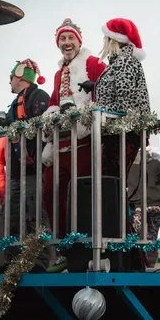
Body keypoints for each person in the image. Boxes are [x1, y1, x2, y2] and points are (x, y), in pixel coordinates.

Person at [0, 59, 51, 272]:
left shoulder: (38, 97)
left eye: (11, 78)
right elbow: (2, 128)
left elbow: (38, 125)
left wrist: (10, 127)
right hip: (15, 170)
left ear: (21, 78)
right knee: (14, 216)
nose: (9, 83)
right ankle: (14, 260)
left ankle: (39, 261)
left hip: (33, 168)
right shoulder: (15, 103)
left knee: (34, 215)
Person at [42, 18, 107, 273]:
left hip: (84, 141)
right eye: (62, 39)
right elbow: (53, 102)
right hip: (61, 144)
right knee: (50, 193)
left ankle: (85, 250)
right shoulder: (59, 73)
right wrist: (52, 114)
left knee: (84, 196)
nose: (66, 43)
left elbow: (107, 91)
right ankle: (62, 249)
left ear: (79, 42)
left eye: (70, 39)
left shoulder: (93, 63)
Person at [94, 17, 150, 178]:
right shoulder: (120, 62)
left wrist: (98, 111)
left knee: (112, 183)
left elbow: (125, 105)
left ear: (112, 40)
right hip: (118, 134)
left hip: (122, 134)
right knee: (113, 183)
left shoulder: (124, 62)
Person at [127, 144, 160, 268]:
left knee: (138, 237)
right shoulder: (157, 163)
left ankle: (140, 262)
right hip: (156, 204)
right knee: (152, 236)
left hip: (138, 205)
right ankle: (151, 262)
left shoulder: (130, 165)